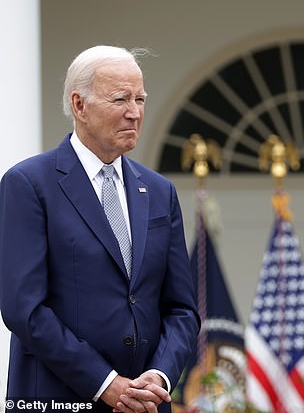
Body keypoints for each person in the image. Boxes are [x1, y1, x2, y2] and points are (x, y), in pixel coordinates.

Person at [0, 45, 200, 412]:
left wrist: (159, 376)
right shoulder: (29, 184)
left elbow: (181, 309)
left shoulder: (159, 191)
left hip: (147, 403)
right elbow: (23, 308)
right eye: (120, 99)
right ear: (79, 105)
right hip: (59, 399)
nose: (134, 113)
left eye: (140, 99)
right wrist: (104, 383)